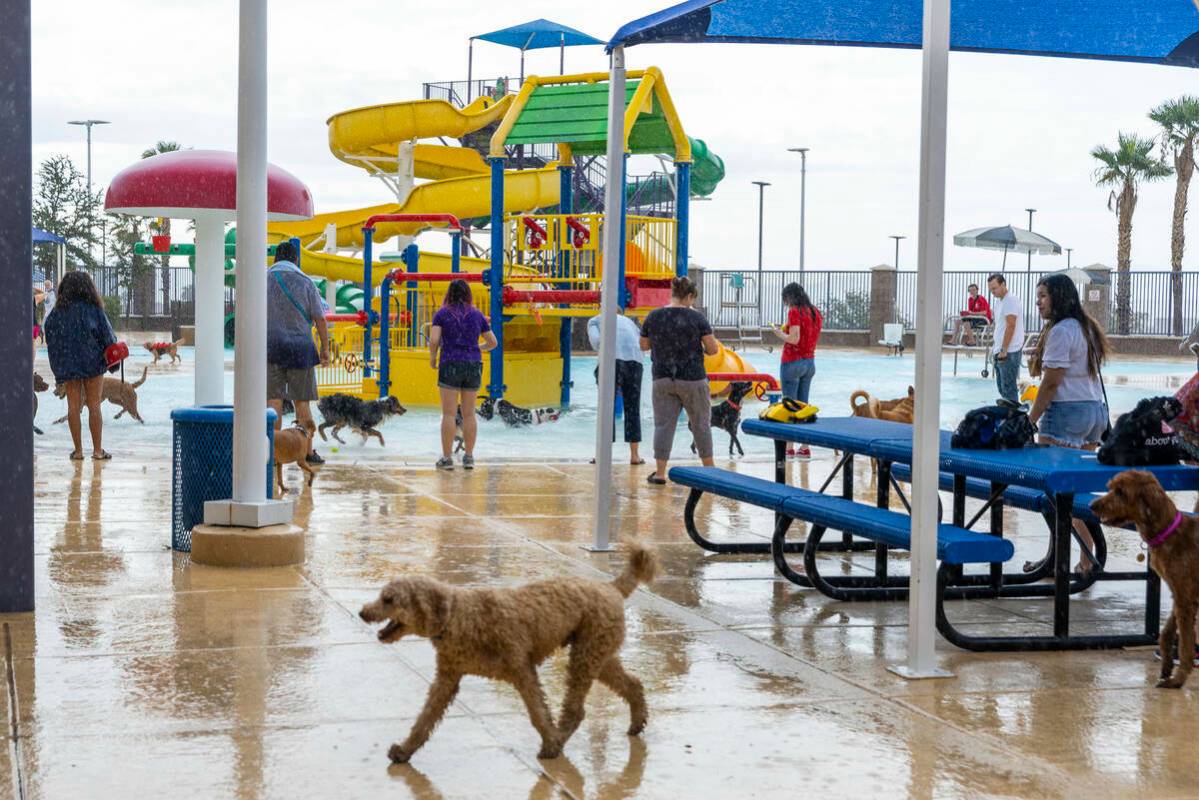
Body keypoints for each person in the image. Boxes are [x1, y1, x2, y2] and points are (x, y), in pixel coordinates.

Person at [1026, 273, 1110, 577]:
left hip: (1066, 413)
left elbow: (1050, 383)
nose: (1038, 303)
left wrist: (1029, 420)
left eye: (1043, 296)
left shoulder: (1062, 331)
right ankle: (1073, 558)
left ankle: (1070, 559)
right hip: (1093, 412)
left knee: (1058, 491)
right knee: (1074, 491)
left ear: (1059, 298)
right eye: (1038, 297)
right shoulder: (1086, 327)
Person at [639, 276, 720, 485]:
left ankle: (659, 473)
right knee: (701, 424)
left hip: (662, 378)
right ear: (690, 296)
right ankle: (709, 470)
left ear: (672, 293)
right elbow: (712, 349)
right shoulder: (697, 318)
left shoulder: (654, 316)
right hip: (692, 378)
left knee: (663, 425)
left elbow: (644, 346)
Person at [267, 240, 329, 464]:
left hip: (271, 347)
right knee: (302, 402)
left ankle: (271, 451)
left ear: (275, 259)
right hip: (300, 349)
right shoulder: (305, 282)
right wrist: (325, 348)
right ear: (296, 259)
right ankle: (308, 452)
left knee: (273, 400)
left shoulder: (264, 279)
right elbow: (320, 318)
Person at [43, 271, 117, 460]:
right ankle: (98, 451)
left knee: (73, 407)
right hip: (93, 362)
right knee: (94, 406)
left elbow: (49, 332)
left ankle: (78, 451)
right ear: (88, 288)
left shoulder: (58, 312)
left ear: (64, 289)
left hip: (69, 363)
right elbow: (108, 335)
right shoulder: (94, 309)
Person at [429, 278, 497, 471]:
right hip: (473, 364)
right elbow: (493, 342)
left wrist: (433, 358)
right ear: (468, 294)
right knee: (469, 415)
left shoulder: (442, 314)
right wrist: (477, 348)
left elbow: (434, 340)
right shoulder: (477, 315)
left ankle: (447, 458)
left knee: (449, 414)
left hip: (450, 362)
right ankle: (468, 457)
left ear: (449, 294)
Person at [769, 282, 822, 461]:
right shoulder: (814, 311)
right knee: (803, 406)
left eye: (786, 300)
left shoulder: (794, 311)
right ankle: (805, 447)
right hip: (809, 363)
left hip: (792, 363)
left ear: (789, 297)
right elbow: (807, 334)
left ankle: (789, 448)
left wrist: (778, 333)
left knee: (789, 405)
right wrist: (787, 328)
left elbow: (794, 338)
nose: (786, 304)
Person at [587, 310, 644, 465]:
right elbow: (642, 344)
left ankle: (603, 455)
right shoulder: (631, 323)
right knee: (633, 408)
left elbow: (597, 343)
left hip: (611, 360)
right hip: (635, 362)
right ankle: (634, 455)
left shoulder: (595, 320)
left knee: (606, 409)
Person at [986, 273, 1024, 404]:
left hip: (1009, 351)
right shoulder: (1000, 302)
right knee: (1003, 389)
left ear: (1003, 284)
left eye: (994, 288)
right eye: (991, 289)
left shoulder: (1010, 300)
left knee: (1008, 391)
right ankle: (1011, 417)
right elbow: (1000, 327)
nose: (992, 292)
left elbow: (1011, 325)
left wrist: (1004, 349)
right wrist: (995, 348)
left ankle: (1014, 421)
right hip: (1000, 350)